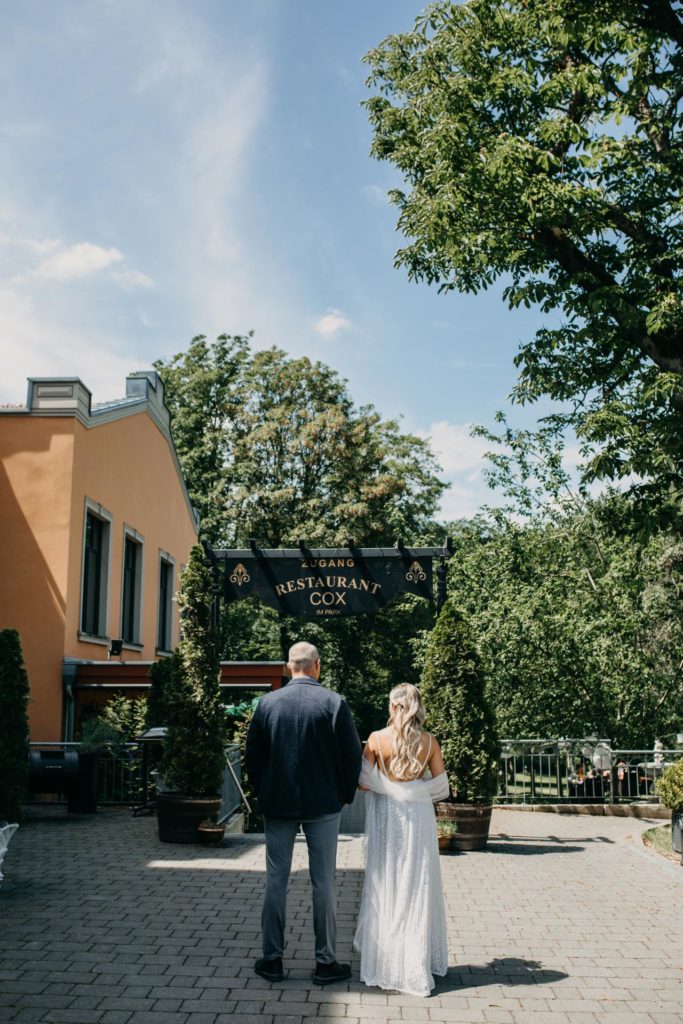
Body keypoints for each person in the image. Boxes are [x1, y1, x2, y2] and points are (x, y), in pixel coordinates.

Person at [245, 641, 363, 985]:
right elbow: (351, 754)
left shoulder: (267, 704)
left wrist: (264, 790)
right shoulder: (333, 703)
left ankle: (272, 960)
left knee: (276, 879)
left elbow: (254, 756)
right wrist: (342, 795)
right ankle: (325, 962)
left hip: (278, 803)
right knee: (324, 881)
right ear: (317, 666)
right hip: (323, 803)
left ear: (288, 666)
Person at [353, 682, 450, 997]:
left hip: (386, 818)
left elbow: (363, 785)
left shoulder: (376, 740)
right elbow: (441, 787)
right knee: (416, 884)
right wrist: (412, 789)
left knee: (387, 884)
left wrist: (388, 784)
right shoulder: (430, 742)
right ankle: (415, 962)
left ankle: (384, 963)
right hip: (418, 818)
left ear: (395, 707)